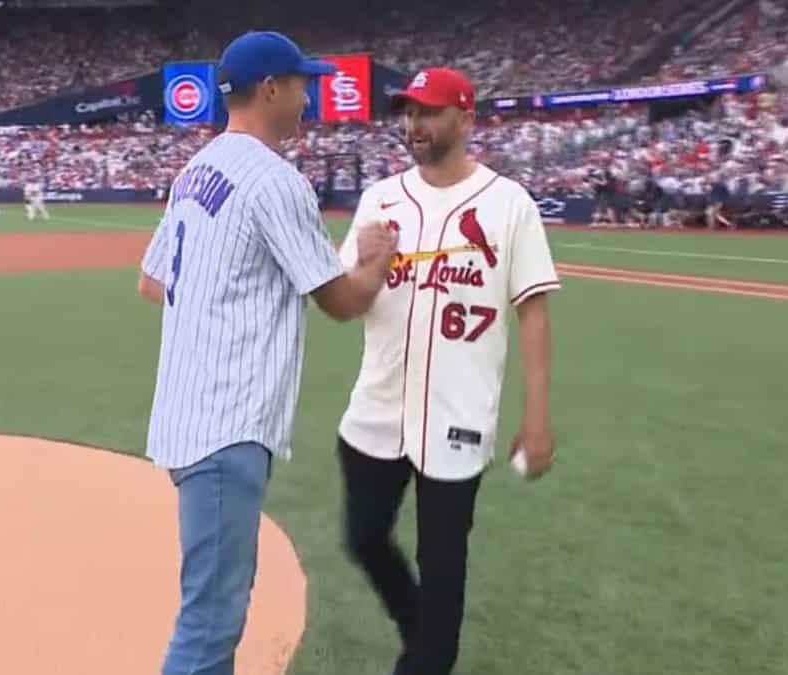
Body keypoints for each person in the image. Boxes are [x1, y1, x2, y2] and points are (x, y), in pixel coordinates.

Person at [135, 30, 399, 675]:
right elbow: (340, 301)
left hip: (186, 414)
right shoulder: (274, 180)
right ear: (272, 88)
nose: (309, 97)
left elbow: (151, 284)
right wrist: (375, 262)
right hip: (228, 422)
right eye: (302, 83)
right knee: (211, 620)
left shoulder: (195, 170)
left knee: (215, 606)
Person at [335, 67, 560, 675]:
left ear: (465, 118)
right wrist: (368, 269)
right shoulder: (380, 199)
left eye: (429, 112)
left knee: (443, 567)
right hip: (377, 408)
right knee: (362, 538)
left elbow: (533, 314)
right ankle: (421, 629)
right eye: (408, 112)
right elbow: (344, 300)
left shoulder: (508, 203)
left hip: (458, 413)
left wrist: (535, 421)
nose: (414, 125)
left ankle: (428, 655)